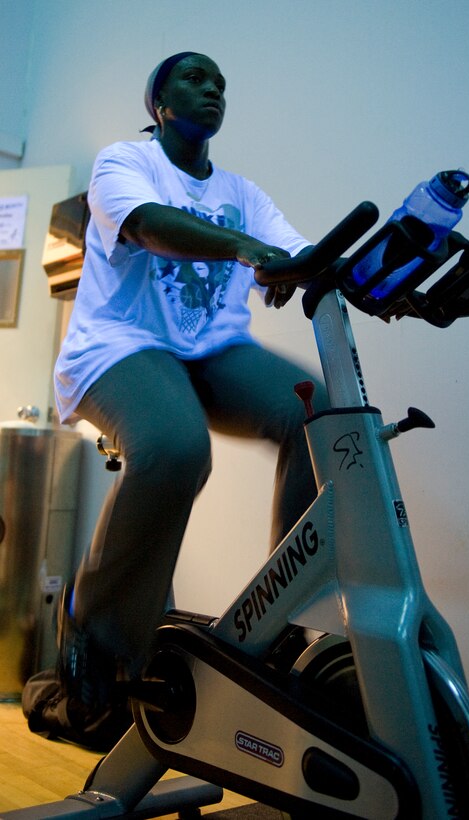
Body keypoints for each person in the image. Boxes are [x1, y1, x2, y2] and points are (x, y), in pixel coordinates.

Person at [52, 51, 328, 713]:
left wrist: (334, 268)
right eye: (195, 78)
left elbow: (293, 252)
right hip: (119, 348)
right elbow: (149, 225)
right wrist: (243, 250)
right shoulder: (124, 163)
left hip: (209, 354)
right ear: (159, 103)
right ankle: (96, 636)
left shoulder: (242, 193)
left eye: (220, 84)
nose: (212, 90)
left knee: (321, 411)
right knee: (175, 447)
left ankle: (278, 616)